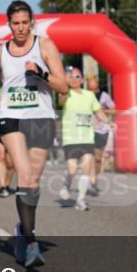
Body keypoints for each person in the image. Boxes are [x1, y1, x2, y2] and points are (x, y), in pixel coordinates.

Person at [0, 0, 67, 267]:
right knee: (23, 173)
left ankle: (23, 228)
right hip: (12, 117)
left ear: (31, 22)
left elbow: (63, 86)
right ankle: (32, 241)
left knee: (33, 179)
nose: (20, 28)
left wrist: (41, 73)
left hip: (41, 117)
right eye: (15, 23)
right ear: (8, 24)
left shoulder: (44, 46)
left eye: (25, 23)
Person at [59, 67, 107, 211]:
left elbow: (98, 111)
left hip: (87, 137)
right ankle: (66, 185)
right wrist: (63, 87)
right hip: (71, 138)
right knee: (72, 170)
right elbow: (61, 102)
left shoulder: (89, 95)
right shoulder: (65, 94)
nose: (74, 79)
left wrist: (109, 122)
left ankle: (80, 200)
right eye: (71, 77)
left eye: (77, 76)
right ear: (67, 79)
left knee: (86, 168)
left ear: (82, 79)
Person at [87, 75, 118, 193]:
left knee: (98, 158)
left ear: (97, 85)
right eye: (89, 85)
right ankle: (92, 181)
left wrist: (102, 110)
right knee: (90, 157)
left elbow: (114, 110)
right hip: (89, 130)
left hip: (102, 130)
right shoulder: (85, 96)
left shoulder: (104, 96)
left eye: (93, 84)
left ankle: (95, 178)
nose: (91, 87)